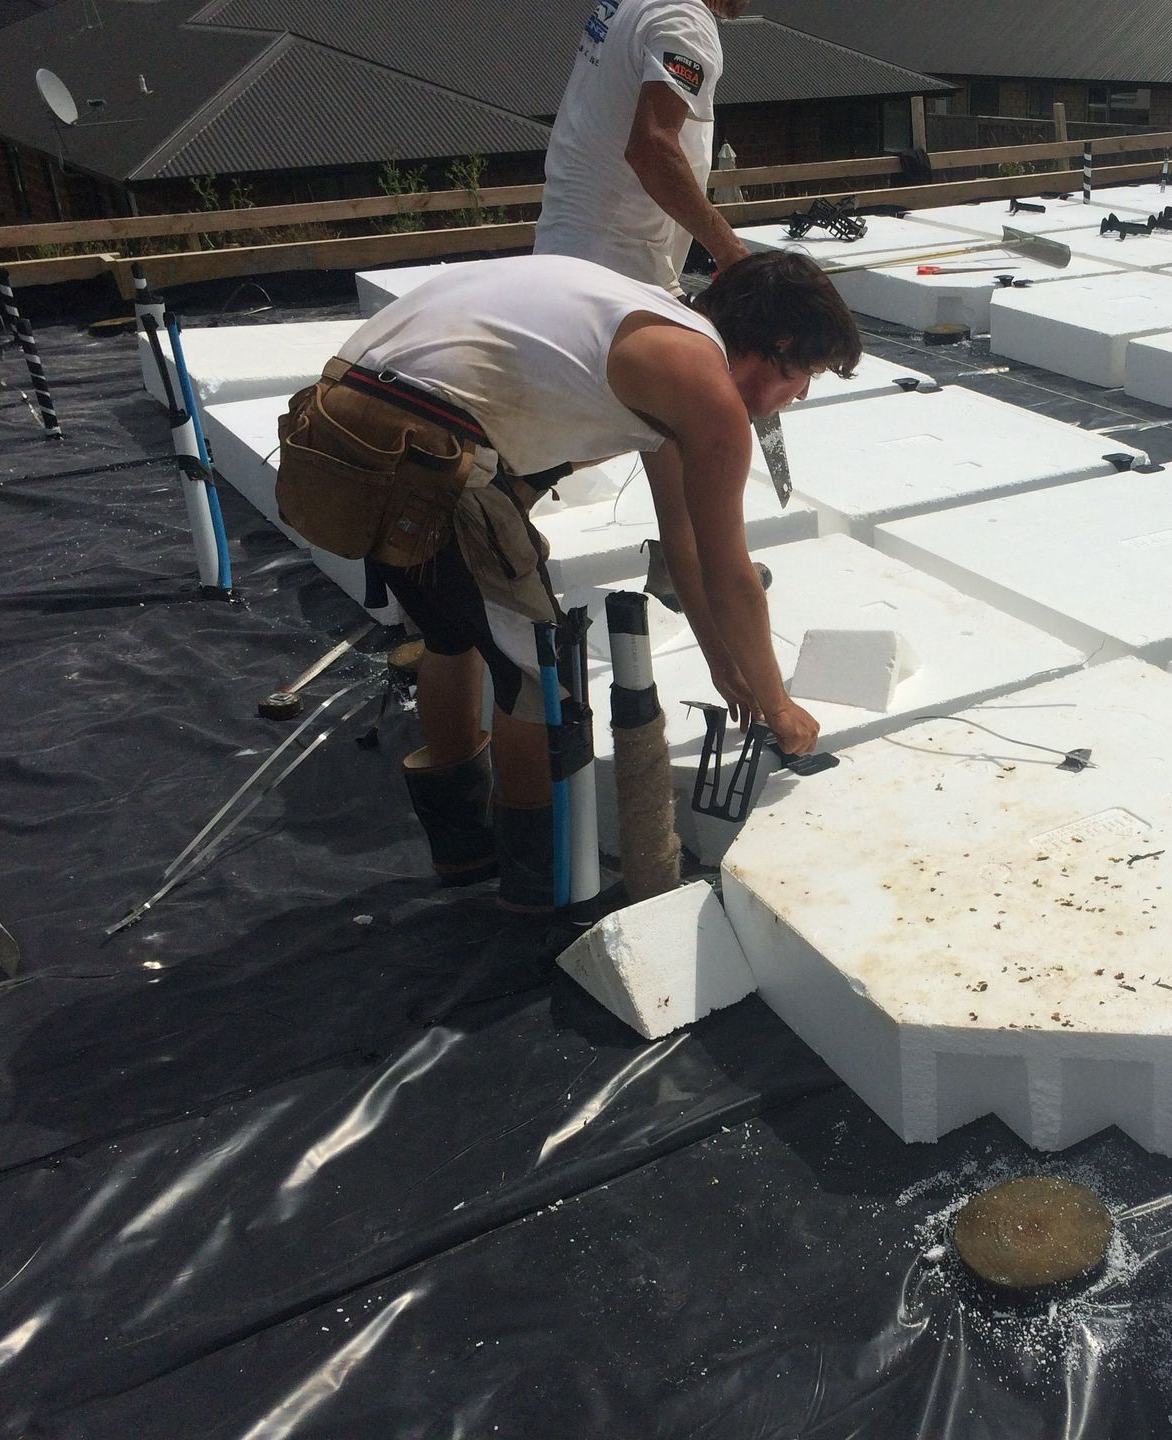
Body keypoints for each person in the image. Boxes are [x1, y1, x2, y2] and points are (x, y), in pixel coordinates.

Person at [275, 250, 860, 908]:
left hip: (341, 425)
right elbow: (729, 571)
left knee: (452, 635)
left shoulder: (659, 332)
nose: (803, 393)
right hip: (421, 448)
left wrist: (728, 664)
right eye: (805, 373)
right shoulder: (705, 388)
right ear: (776, 348)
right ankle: (537, 889)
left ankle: (465, 849)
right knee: (534, 674)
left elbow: (685, 541)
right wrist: (777, 705)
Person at [535, 0, 752, 290]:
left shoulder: (632, 4)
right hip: (619, 270)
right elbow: (652, 148)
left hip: (563, 251)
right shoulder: (684, 19)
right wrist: (733, 255)